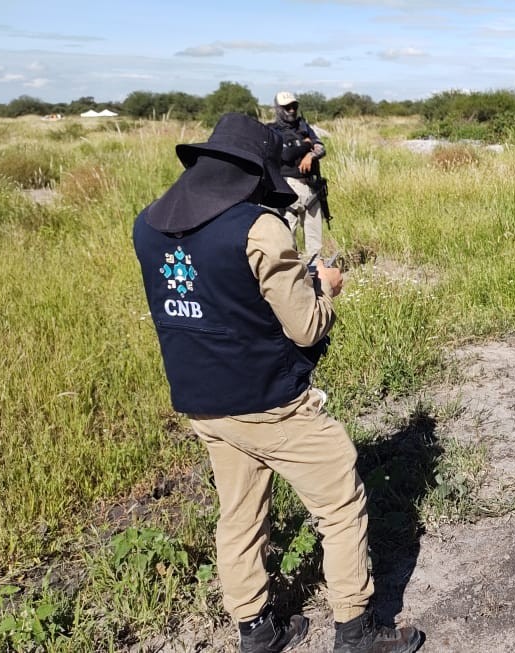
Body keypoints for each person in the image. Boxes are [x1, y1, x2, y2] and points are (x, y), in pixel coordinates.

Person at [132, 112, 423, 653]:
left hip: (203, 402)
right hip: (270, 401)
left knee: (240, 514)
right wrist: (326, 286)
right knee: (340, 503)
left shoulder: (147, 224)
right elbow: (306, 325)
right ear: (252, 170)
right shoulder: (259, 228)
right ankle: (357, 632)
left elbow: (218, 301)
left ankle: (257, 630)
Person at [267, 91, 329, 258]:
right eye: (287, 107)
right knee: (287, 238)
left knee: (315, 239)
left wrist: (310, 154)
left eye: (294, 106)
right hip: (289, 188)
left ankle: (317, 271)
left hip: (312, 187)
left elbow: (321, 147)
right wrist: (305, 145)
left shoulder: (304, 126)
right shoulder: (272, 131)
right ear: (279, 109)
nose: (292, 110)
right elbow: (285, 155)